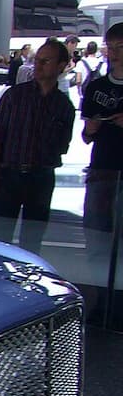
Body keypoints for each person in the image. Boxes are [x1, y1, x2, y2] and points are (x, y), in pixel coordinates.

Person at [0, 39, 75, 253]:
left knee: (33, 241)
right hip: (10, 176)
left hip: (41, 178)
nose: (39, 65)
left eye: (46, 61)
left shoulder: (63, 105)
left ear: (61, 66)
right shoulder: (15, 96)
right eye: (37, 60)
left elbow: (62, 146)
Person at [80, 23, 123, 281]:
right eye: (111, 47)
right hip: (101, 169)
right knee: (96, 234)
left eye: (121, 48)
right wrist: (91, 129)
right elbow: (85, 137)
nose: (114, 53)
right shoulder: (96, 88)